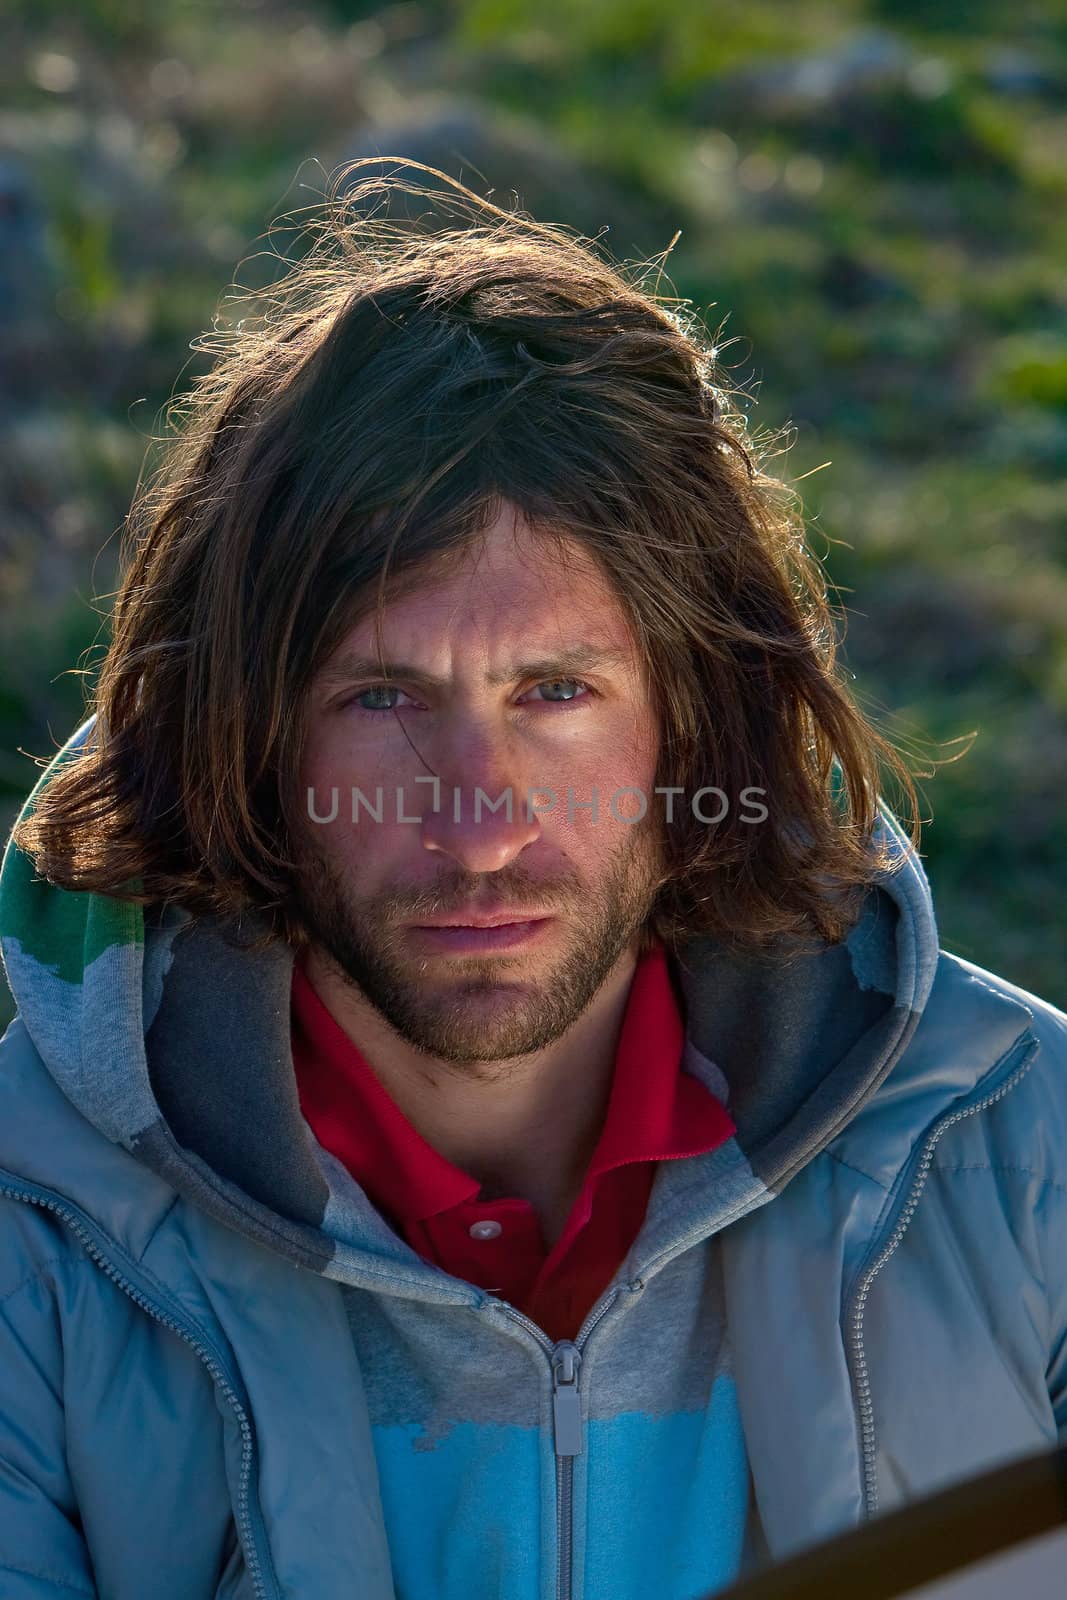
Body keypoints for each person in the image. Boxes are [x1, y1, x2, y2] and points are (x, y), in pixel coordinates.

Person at [0, 164, 1064, 1600]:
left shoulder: (1022, 1154)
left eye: (555, 691)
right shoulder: (33, 1226)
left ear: (696, 714)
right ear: (242, 743)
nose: (480, 825)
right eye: (379, 699)